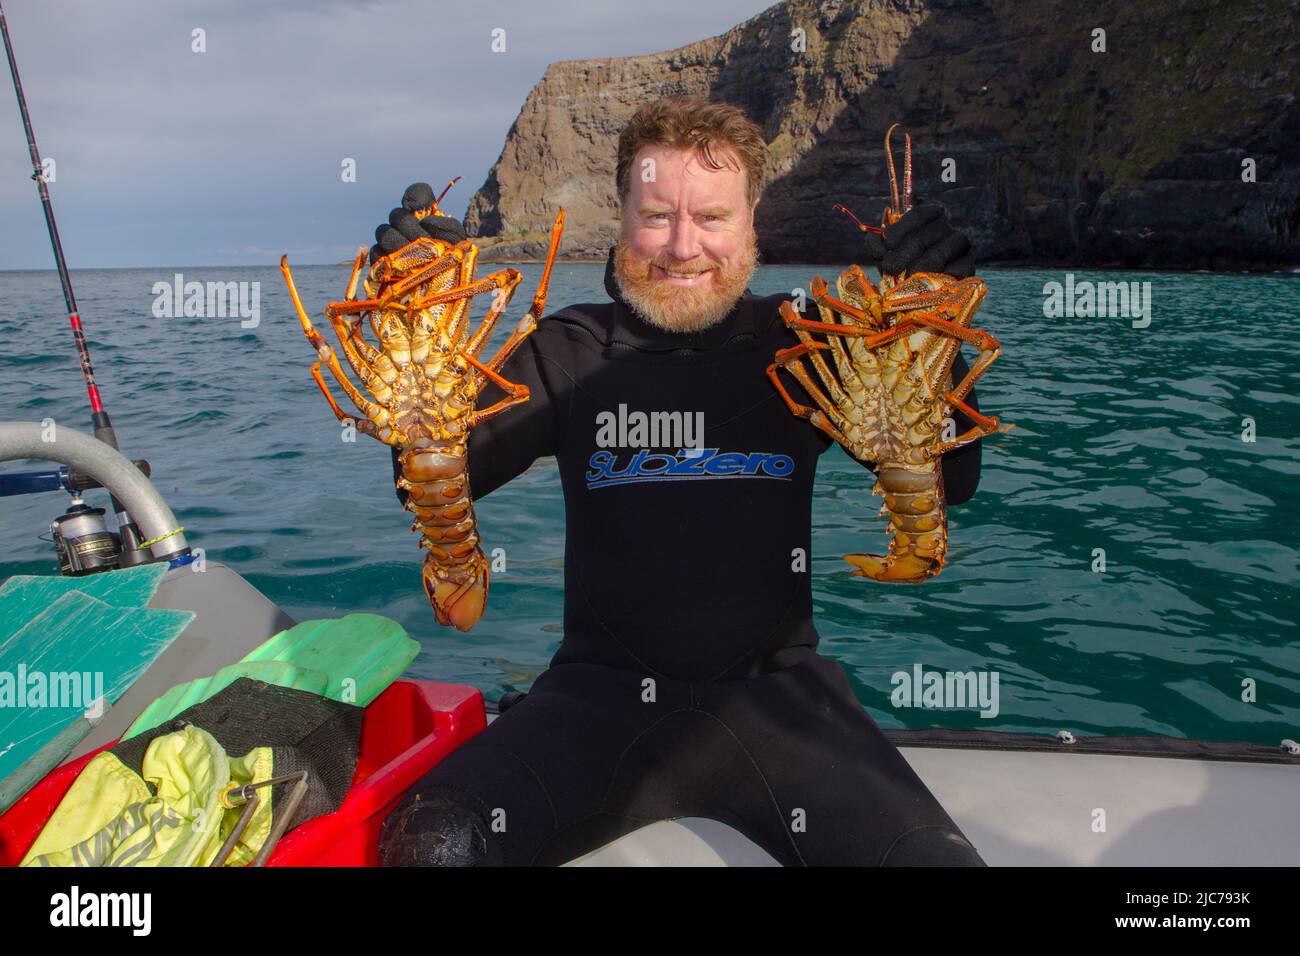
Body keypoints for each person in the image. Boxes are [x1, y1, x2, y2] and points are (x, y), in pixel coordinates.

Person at [375, 97, 985, 866]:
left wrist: (938, 335)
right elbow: (428, 477)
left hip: (782, 702)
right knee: (432, 844)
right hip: (594, 702)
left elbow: (950, 480)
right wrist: (401, 321)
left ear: (752, 220)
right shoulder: (569, 348)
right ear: (622, 215)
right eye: (657, 215)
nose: (682, 247)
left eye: (712, 218)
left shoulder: (807, 339)